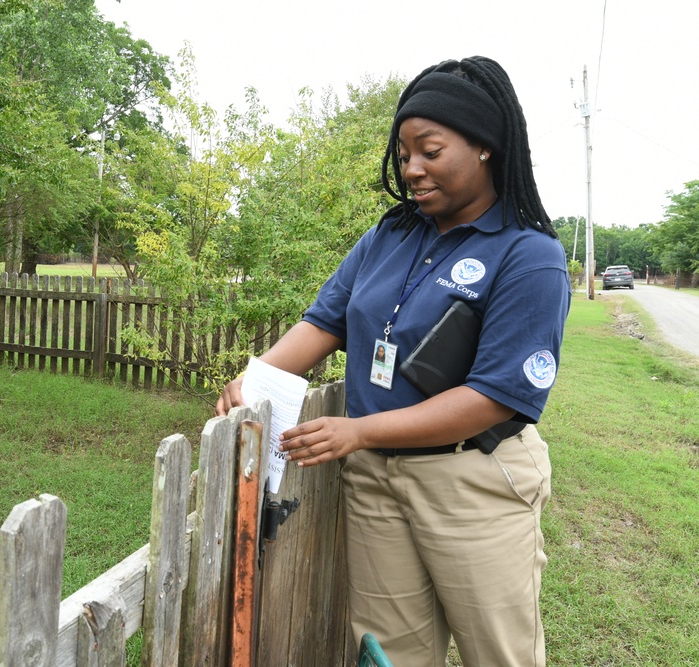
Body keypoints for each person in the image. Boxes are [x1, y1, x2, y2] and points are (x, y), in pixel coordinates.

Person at [216, 56, 570, 667]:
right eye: (404, 153)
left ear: (486, 146)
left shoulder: (528, 257)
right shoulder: (389, 236)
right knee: (387, 652)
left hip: (474, 482)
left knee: (499, 653)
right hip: (376, 479)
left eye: (430, 150)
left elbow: (494, 396)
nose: (411, 170)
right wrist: (258, 374)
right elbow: (322, 321)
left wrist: (359, 430)